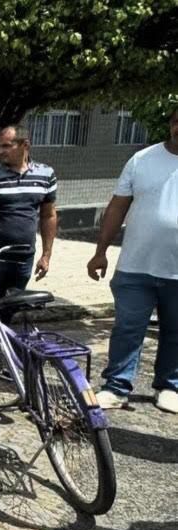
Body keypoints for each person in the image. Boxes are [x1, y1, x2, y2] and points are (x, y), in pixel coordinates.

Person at [87, 104, 178, 414]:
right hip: (136, 265)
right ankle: (116, 387)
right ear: (170, 124)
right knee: (127, 328)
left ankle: (169, 386)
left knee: (176, 331)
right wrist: (100, 252)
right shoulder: (142, 159)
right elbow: (117, 208)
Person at [0, 125, 57, 321]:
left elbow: (48, 215)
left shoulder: (45, 174)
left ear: (25, 145)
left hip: (24, 257)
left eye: (6, 146)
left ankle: (1, 351)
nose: (0, 152)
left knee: (10, 308)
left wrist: (46, 255)